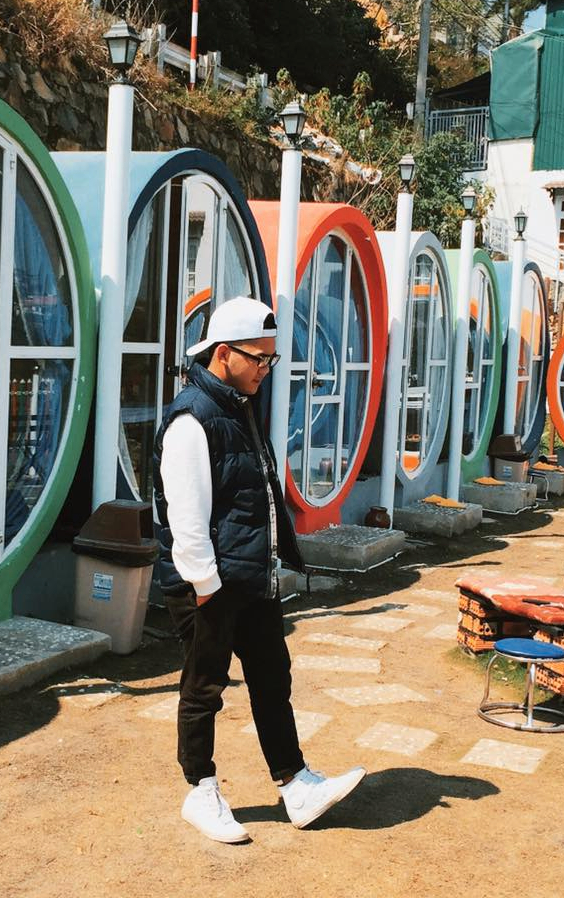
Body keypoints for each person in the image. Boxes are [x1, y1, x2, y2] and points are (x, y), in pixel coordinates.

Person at [153, 296, 365, 844]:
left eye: (272, 359)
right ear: (224, 353)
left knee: (272, 676)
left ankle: (296, 783)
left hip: (250, 574)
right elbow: (186, 517)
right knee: (205, 687)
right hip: (208, 583)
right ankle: (200, 790)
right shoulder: (191, 420)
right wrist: (205, 587)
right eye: (259, 358)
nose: (266, 369)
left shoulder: (237, 407)